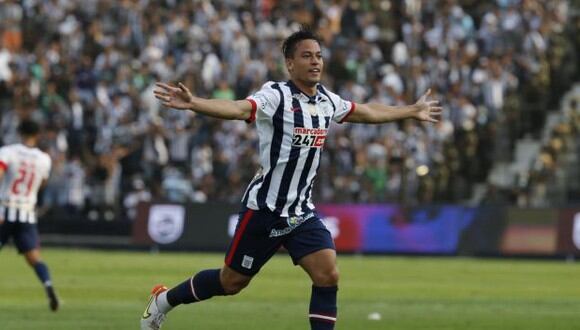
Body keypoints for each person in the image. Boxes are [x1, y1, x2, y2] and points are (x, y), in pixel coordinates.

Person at [141, 28, 441, 330]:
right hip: (264, 211)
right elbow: (237, 108)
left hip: (300, 213)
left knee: (328, 274)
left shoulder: (327, 100)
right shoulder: (275, 96)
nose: (315, 62)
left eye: (319, 56)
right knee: (230, 282)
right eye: (307, 56)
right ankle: (163, 301)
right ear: (290, 63)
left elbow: (367, 112)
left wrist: (411, 111)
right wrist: (196, 103)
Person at [0, 119, 59, 311]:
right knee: (34, 258)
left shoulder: (8, 152)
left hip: (4, 209)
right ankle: (48, 284)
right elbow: (42, 184)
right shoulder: (44, 159)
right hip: (27, 213)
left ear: (19, 132)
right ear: (37, 134)